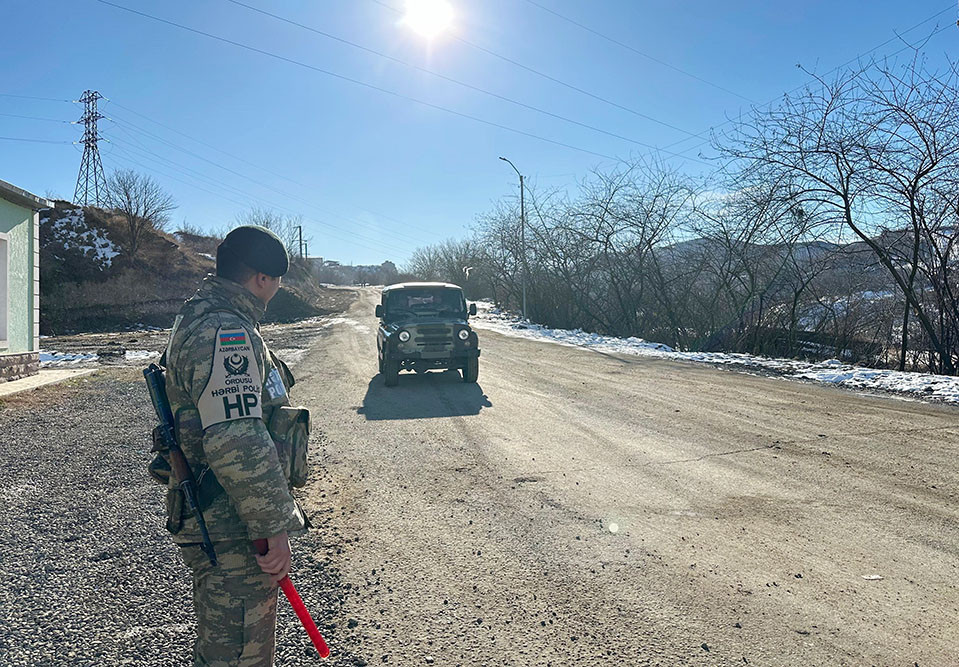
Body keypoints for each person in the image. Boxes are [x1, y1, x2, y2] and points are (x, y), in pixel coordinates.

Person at [159, 225, 311, 665]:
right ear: (262, 278)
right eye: (277, 279)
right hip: (234, 525)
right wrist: (272, 526)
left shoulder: (207, 314)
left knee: (227, 648)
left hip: (227, 516)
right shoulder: (225, 330)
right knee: (240, 654)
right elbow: (236, 439)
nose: (278, 287)